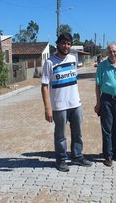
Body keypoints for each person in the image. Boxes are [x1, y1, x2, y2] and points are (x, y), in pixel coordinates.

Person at [41, 32, 92, 172]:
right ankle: (61, 160)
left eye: (69, 43)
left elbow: (73, 80)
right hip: (59, 105)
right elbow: (44, 86)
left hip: (75, 104)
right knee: (60, 135)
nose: (66, 46)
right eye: (63, 43)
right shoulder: (50, 62)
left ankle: (77, 156)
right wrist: (47, 108)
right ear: (57, 44)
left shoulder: (72, 59)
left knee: (78, 133)